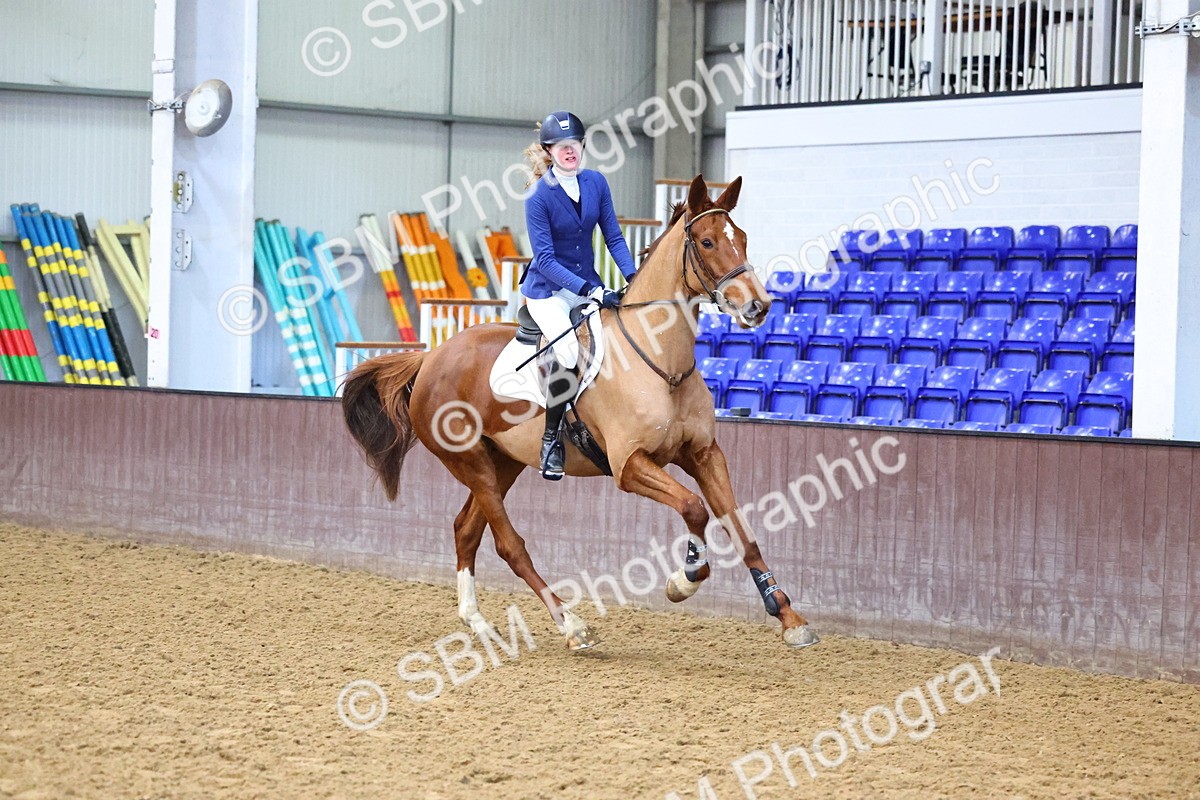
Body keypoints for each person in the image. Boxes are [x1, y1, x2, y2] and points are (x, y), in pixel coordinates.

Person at [522, 110, 637, 481]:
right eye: (561, 146)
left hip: (587, 282)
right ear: (549, 151)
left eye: (574, 145)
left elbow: (614, 238)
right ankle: (551, 440)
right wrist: (592, 290)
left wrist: (633, 277)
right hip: (549, 290)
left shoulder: (596, 184)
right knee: (569, 350)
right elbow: (545, 260)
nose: (569, 151)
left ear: (583, 146)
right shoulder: (537, 197)